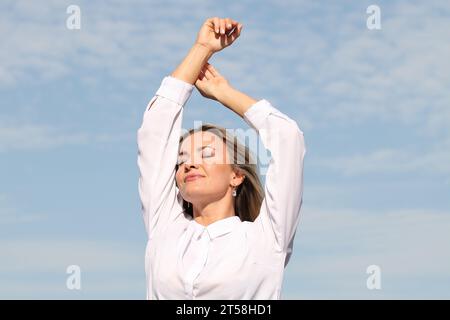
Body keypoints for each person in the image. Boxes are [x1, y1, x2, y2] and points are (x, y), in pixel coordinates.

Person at [137, 17, 306, 299]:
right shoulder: (165, 226)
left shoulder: (266, 239)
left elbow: (287, 138)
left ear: (236, 175)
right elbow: (155, 127)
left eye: (206, 153)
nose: (189, 163)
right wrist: (202, 48)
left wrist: (223, 93)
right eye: (181, 158)